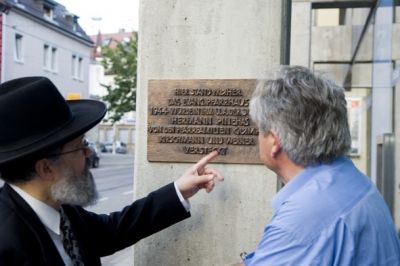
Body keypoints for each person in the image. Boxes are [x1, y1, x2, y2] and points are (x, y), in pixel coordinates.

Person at [0, 76, 223, 265]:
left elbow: (111, 231)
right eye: (80, 147)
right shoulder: (7, 243)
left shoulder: (59, 206)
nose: (88, 154)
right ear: (46, 168)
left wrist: (179, 190)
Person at [239, 66, 400, 265]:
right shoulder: (355, 182)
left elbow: (302, 239)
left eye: (259, 130)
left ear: (274, 141)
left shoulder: (302, 221)